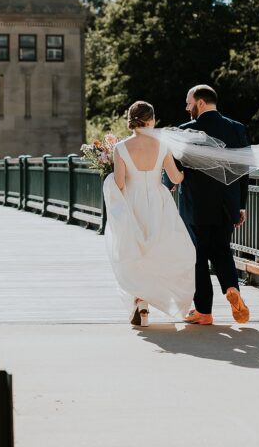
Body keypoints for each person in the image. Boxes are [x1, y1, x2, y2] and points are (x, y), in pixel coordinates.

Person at [103, 101, 196, 327]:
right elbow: (175, 178)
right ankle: (153, 299)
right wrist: (188, 176)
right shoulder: (161, 145)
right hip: (158, 202)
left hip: (132, 203)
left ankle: (141, 302)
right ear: (151, 119)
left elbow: (119, 183)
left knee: (135, 252)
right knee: (161, 251)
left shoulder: (120, 148)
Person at [176, 85, 251, 326]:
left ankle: (204, 312)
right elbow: (244, 169)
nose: (187, 108)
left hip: (195, 205)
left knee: (197, 258)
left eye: (189, 103)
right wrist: (241, 205)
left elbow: (177, 171)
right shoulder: (237, 129)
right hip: (227, 203)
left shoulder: (186, 131)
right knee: (221, 250)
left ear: (199, 103)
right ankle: (232, 287)